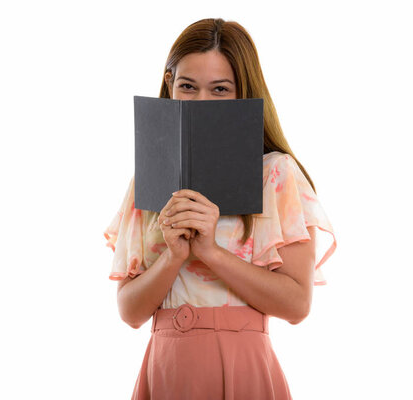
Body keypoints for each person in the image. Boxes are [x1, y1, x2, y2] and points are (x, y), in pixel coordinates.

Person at [103, 18, 337, 400]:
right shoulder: (149, 176)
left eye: (220, 90)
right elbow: (129, 312)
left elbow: (297, 304)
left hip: (242, 363)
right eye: (188, 87)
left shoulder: (276, 173)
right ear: (169, 84)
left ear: (243, 92)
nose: (200, 104)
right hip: (166, 365)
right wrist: (173, 256)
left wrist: (210, 252)